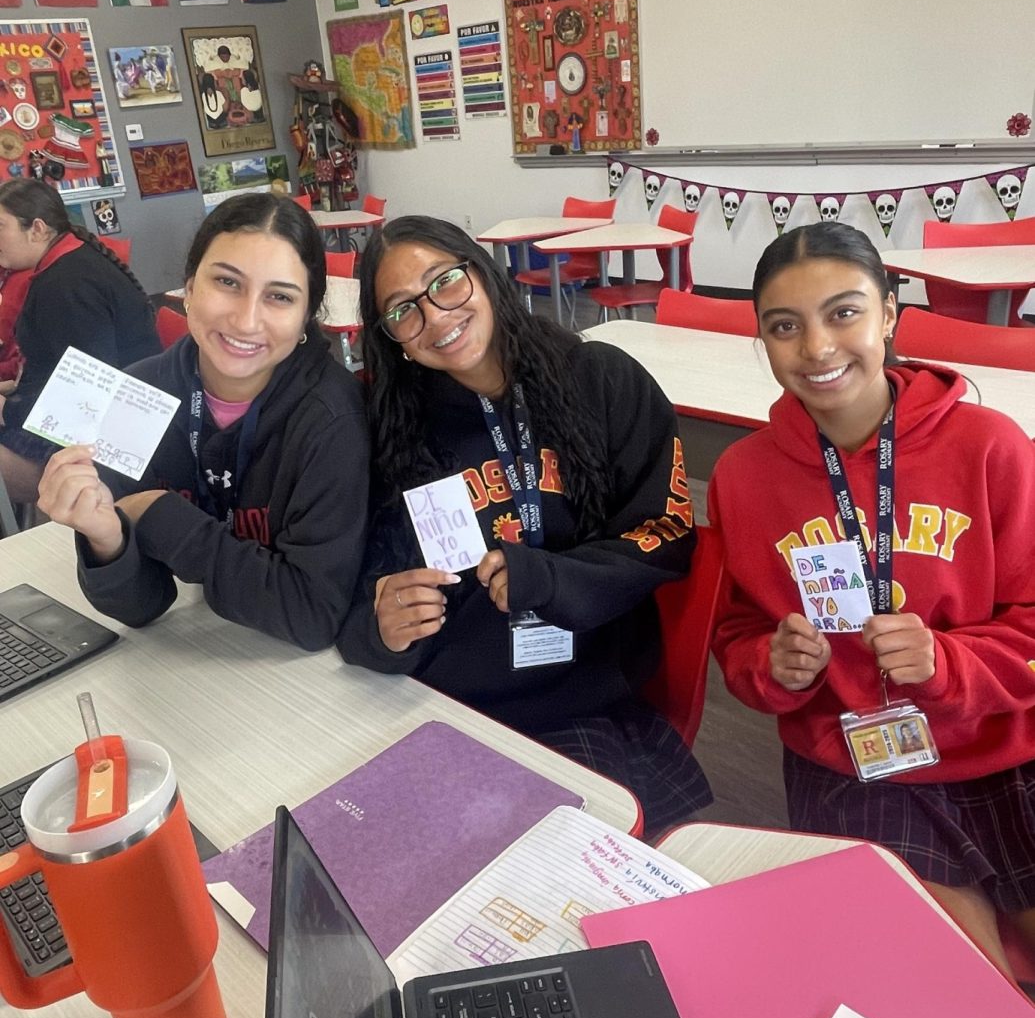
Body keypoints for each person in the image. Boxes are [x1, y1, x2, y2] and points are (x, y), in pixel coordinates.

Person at [708, 220, 1035, 980]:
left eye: (843, 312)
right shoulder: (743, 476)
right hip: (855, 767)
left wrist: (948, 660)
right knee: (959, 990)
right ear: (760, 338)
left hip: (1003, 749)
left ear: (890, 313)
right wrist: (772, 663)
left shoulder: (991, 447)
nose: (817, 348)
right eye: (783, 327)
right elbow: (735, 634)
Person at [336, 215, 711, 835]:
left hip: (578, 703)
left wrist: (551, 578)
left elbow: (664, 533)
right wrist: (378, 627)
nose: (435, 318)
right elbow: (352, 585)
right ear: (392, 338)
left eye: (446, 283)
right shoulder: (389, 430)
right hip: (438, 708)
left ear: (482, 273)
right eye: (403, 310)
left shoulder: (602, 382)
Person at [37, 193, 369, 650]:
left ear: (306, 316)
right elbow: (144, 607)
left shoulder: (332, 419)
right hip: (195, 657)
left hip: (298, 675)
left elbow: (310, 614)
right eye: (227, 283)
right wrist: (106, 539)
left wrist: (158, 516)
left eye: (279, 296)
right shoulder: (136, 397)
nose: (246, 319)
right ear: (189, 288)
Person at [0, 178, 159, 503]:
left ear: (38, 229)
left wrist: (12, 408)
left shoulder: (67, 284)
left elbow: (89, 395)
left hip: (113, 444)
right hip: (87, 421)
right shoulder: (64, 265)